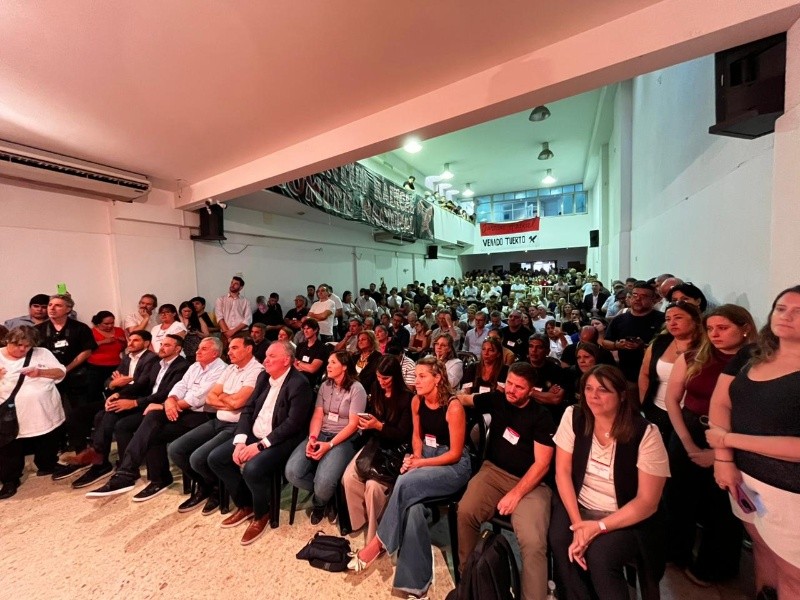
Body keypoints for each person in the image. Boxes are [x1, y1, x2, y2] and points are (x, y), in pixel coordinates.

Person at [349, 357, 471, 600]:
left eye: (422, 376)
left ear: (438, 378)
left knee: (404, 482)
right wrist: (414, 457)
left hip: (453, 466)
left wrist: (420, 464)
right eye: (415, 376)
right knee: (414, 509)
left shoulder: (453, 406)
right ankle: (417, 586)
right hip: (426, 453)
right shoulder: (417, 400)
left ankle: (378, 544)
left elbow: (455, 453)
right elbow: (417, 437)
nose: (416, 381)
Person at [706, 286, 800, 597]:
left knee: (793, 573)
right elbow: (721, 403)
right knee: (762, 552)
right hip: (742, 477)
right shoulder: (751, 354)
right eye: (781, 308)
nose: (786, 316)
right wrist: (724, 459)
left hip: (788, 488)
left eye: (798, 312)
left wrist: (729, 439)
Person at [549, 364, 670, 600]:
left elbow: (647, 502)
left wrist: (599, 527)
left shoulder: (645, 433)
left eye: (603, 390)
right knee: (559, 538)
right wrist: (578, 525)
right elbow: (562, 472)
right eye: (589, 388)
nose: (593, 396)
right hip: (581, 505)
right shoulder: (574, 417)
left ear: (622, 395)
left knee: (600, 556)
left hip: (624, 515)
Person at [664, 304, 756, 586]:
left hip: (731, 436)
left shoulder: (756, 363)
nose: (714, 334)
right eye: (710, 328)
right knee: (679, 498)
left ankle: (713, 567)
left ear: (745, 329)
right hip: (689, 429)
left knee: (721, 508)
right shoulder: (694, 356)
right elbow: (672, 399)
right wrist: (688, 444)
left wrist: (717, 454)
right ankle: (675, 552)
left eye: (723, 328)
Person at [457, 362, 556, 600]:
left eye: (519, 387)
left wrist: (516, 494)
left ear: (531, 390)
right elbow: (466, 400)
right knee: (465, 512)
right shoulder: (498, 399)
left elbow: (542, 464)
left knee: (533, 543)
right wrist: (451, 398)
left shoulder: (542, 418)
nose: (511, 390)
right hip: (494, 472)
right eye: (509, 383)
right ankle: (470, 580)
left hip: (532, 483)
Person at [207, 341, 313, 544]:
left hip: (281, 439)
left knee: (252, 469)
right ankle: (245, 504)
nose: (266, 359)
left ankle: (262, 513)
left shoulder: (299, 384)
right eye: (266, 355)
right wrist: (240, 441)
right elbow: (248, 410)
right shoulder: (263, 377)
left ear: (287, 360)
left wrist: (260, 445)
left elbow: (292, 424)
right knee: (216, 459)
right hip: (255, 434)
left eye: (272, 356)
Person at [83, 335, 191, 498]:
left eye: (167, 345)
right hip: (149, 403)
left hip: (164, 407)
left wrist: (134, 403)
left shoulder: (182, 366)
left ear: (177, 349)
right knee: (117, 418)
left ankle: (127, 472)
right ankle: (106, 464)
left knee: (139, 422)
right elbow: (142, 384)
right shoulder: (158, 363)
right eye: (161, 344)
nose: (161, 347)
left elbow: (165, 394)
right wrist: (119, 394)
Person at [168, 334, 263, 514]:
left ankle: (222, 492)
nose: (229, 352)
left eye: (234, 348)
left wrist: (224, 398)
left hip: (236, 425)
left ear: (249, 349)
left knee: (200, 458)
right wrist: (228, 400)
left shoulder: (257, 370)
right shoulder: (231, 369)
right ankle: (208, 486)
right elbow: (211, 398)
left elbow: (238, 403)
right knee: (176, 449)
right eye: (229, 348)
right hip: (217, 420)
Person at [65, 331, 159, 489]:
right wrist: (114, 385)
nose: (130, 343)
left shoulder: (152, 358)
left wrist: (119, 390)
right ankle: (95, 457)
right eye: (130, 340)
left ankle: (99, 458)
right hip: (120, 395)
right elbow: (110, 380)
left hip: (139, 399)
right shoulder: (128, 358)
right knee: (81, 414)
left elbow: (143, 383)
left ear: (147, 343)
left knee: (106, 414)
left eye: (136, 340)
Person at [285, 351, 367, 524]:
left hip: (344, 437)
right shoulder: (325, 386)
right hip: (322, 432)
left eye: (333, 362)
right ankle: (328, 494)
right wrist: (313, 438)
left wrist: (329, 445)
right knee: (292, 472)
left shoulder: (356, 389)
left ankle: (321, 502)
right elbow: (318, 415)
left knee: (324, 483)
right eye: (328, 362)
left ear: (344, 367)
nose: (328, 365)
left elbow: (353, 424)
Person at [342, 356, 412, 543]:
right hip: (376, 442)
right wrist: (367, 425)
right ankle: (359, 521)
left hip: (396, 448)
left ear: (395, 377)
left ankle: (376, 535)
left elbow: (402, 434)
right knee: (349, 478)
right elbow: (373, 416)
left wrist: (378, 426)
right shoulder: (376, 388)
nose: (382, 382)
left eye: (386, 379)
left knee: (374, 488)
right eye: (379, 377)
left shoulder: (406, 398)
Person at [0, 327, 66, 499]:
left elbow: (60, 372)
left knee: (48, 439)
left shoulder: (42, 353)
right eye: (19, 345)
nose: (22, 349)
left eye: (27, 346)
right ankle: (10, 480)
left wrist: (40, 372)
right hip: (11, 413)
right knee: (10, 446)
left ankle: (48, 464)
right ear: (8, 341)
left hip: (45, 409)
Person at [36, 294, 97, 469]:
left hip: (76, 376)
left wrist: (66, 369)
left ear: (68, 309)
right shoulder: (39, 330)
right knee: (51, 414)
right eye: (50, 305)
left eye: (57, 305)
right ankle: (55, 453)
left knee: (77, 414)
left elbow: (87, 351)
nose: (51, 308)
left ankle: (82, 452)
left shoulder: (80, 328)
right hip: (48, 379)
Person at [639, 302, 703, 438]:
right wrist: (645, 405)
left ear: (695, 320)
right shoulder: (660, 343)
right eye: (668, 319)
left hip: (690, 414)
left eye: (678, 318)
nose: (672, 323)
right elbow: (644, 374)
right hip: (657, 410)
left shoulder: (705, 347)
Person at [602, 281, 666, 387]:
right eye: (635, 295)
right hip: (627, 375)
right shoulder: (619, 319)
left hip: (656, 376)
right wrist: (617, 345)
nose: (638, 299)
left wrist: (643, 346)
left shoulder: (662, 319)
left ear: (653, 300)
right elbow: (606, 341)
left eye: (643, 296)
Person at [85, 311, 126, 410]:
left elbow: (124, 347)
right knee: (95, 393)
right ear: (98, 323)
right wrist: (103, 342)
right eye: (106, 324)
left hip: (115, 365)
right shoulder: (91, 332)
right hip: (95, 367)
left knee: (115, 391)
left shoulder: (119, 330)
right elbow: (86, 348)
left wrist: (124, 342)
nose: (110, 326)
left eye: (112, 323)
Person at [215, 276, 252, 345]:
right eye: (232, 282)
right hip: (225, 332)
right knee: (226, 354)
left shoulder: (246, 301)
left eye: (236, 283)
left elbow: (248, 320)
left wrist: (233, 331)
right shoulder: (220, 299)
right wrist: (228, 333)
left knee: (243, 354)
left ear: (241, 287)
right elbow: (219, 317)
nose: (232, 285)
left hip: (242, 332)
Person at [294, 318, 329, 387]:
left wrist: (299, 363)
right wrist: (303, 365)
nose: (305, 331)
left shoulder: (322, 347)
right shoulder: (301, 345)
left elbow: (312, 369)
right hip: (297, 377)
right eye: (304, 329)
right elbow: (293, 363)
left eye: (308, 328)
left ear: (315, 330)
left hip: (311, 381)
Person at [354, 330, 382, 394]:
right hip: (352, 388)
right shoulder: (355, 356)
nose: (360, 342)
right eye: (359, 340)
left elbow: (373, 377)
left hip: (368, 390)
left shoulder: (377, 357)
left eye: (363, 339)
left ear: (371, 341)